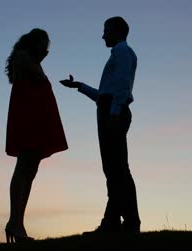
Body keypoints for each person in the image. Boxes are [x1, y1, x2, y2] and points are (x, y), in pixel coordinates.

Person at [60, 16, 140, 234]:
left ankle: (128, 222)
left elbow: (122, 85)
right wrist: (80, 86)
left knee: (118, 169)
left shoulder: (123, 52)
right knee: (114, 169)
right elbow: (104, 95)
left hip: (113, 114)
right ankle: (115, 221)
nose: (103, 35)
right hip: (109, 111)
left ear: (117, 31)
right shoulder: (118, 54)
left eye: (106, 30)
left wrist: (114, 113)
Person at [4, 28, 68, 243]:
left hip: (37, 119)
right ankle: (15, 222)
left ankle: (18, 222)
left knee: (30, 170)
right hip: (28, 118)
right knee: (24, 167)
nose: (46, 49)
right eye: (44, 45)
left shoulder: (32, 59)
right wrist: (41, 58)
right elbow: (39, 78)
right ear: (35, 42)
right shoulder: (24, 57)